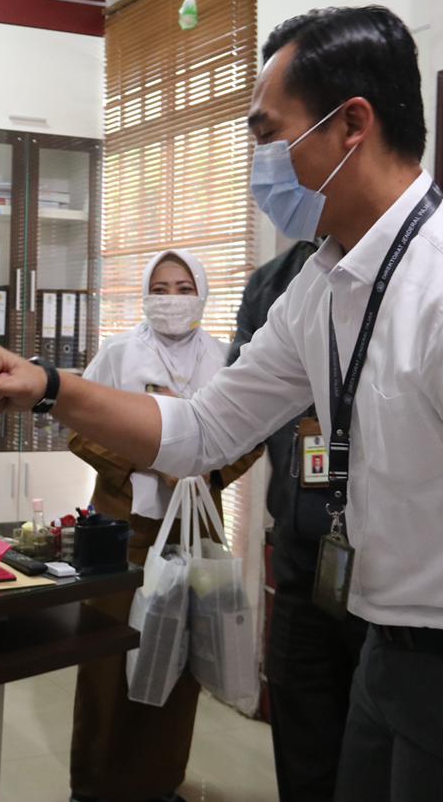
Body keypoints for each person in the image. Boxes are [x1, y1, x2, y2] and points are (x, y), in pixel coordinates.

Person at [0, 6, 443, 802]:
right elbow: (202, 430)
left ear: (351, 124)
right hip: (386, 653)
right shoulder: (323, 289)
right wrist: (49, 386)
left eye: (267, 133)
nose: (258, 162)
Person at [70, 249, 261, 802]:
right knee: (109, 654)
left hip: (194, 526)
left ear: (201, 294)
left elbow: (249, 437)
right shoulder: (119, 353)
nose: (172, 299)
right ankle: (93, 787)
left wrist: (205, 469)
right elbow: (80, 428)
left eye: (183, 288)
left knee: (179, 657)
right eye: (160, 288)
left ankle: (160, 782)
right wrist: (152, 458)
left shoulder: (225, 360)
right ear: (145, 295)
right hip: (123, 528)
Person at [229, 239, 368, 801]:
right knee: (303, 752)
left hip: (390, 583)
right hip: (300, 562)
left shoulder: (415, 269)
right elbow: (232, 411)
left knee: (375, 758)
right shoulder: (274, 284)